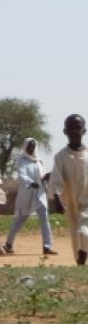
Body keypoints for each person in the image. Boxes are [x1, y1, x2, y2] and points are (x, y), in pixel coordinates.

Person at [4, 138, 56, 255]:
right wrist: (30, 182)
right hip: (27, 194)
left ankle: (47, 246)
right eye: (29, 146)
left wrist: (46, 178)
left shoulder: (39, 161)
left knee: (45, 219)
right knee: (20, 220)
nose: (31, 148)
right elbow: (22, 175)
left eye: (33, 146)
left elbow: (41, 176)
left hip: (40, 194)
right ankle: (8, 243)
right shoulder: (21, 160)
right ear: (25, 147)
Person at [50, 114, 88, 265]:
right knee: (75, 235)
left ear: (84, 130)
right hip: (71, 204)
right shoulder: (61, 157)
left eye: (78, 128)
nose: (74, 131)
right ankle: (80, 262)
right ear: (65, 131)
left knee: (84, 231)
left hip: (87, 202)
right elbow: (56, 181)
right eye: (70, 128)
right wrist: (58, 200)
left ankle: (84, 251)